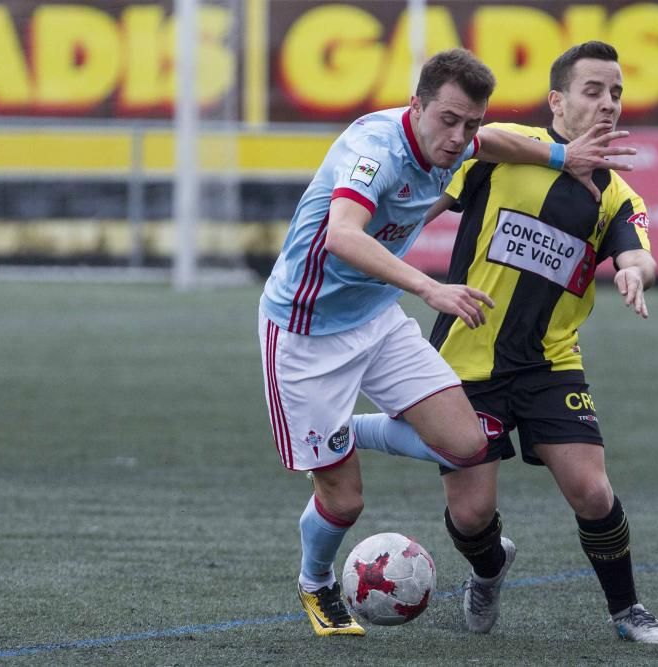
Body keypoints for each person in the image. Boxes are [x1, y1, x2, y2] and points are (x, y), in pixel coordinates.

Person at [258, 47, 634, 637]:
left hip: (377, 319)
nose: (460, 137)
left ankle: (345, 429)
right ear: (416, 105)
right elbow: (342, 237)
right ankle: (315, 584)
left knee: (467, 445)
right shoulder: (373, 151)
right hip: (306, 332)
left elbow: (500, 144)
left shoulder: (460, 138)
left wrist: (562, 156)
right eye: (449, 121)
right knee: (345, 502)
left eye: (471, 124)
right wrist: (428, 288)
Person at [352, 41, 658, 643]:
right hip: (466, 362)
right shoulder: (500, 148)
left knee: (591, 489)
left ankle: (627, 609)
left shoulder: (618, 196)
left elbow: (636, 251)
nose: (609, 104)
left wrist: (634, 270)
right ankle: (489, 568)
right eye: (593, 90)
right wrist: (371, 241)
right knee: (471, 515)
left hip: (552, 365)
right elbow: (421, 203)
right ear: (557, 100)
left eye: (617, 93)